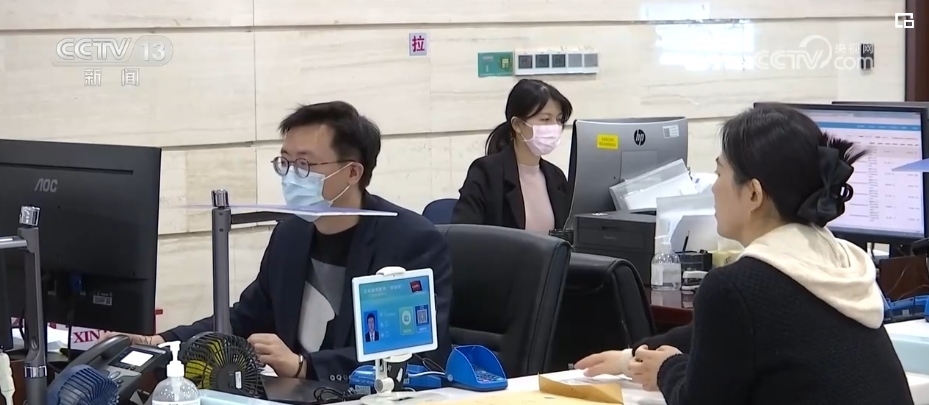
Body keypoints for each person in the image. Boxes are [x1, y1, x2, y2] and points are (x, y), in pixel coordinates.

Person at [578, 105, 914, 404]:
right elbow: (715, 334)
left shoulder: (737, 286)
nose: (713, 187)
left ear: (753, 193)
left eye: (719, 173)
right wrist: (633, 357)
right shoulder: (838, 262)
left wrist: (668, 369)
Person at [102, 101, 453, 382]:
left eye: (304, 165)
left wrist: (303, 366)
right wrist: (161, 342)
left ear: (352, 172)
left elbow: (415, 355)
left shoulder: (410, 241)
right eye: (284, 163)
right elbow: (245, 318)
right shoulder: (290, 234)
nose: (291, 177)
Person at [451, 79, 573, 233]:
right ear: (517, 124)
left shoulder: (556, 177)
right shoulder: (486, 172)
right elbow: (463, 234)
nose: (554, 127)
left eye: (559, 119)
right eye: (545, 119)